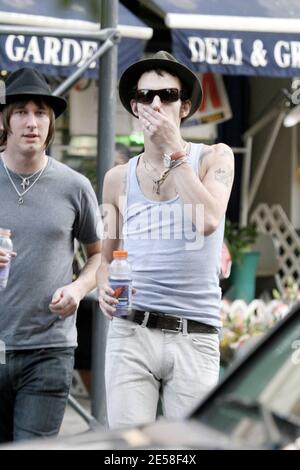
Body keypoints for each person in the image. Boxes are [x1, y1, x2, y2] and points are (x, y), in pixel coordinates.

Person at [97, 51, 234, 429]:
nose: (156, 103)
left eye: (168, 95)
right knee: (127, 450)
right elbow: (106, 259)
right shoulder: (116, 179)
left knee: (189, 449)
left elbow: (206, 220)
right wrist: (104, 285)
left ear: (184, 106)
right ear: (134, 108)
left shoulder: (214, 157)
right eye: (145, 96)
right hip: (131, 331)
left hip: (195, 332)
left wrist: (175, 150)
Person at [0, 67, 101, 442]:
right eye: (22, 111)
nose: (32, 122)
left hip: (49, 350)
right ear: (4, 119)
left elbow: (99, 256)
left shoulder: (74, 186)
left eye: (41, 112)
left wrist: (77, 290)